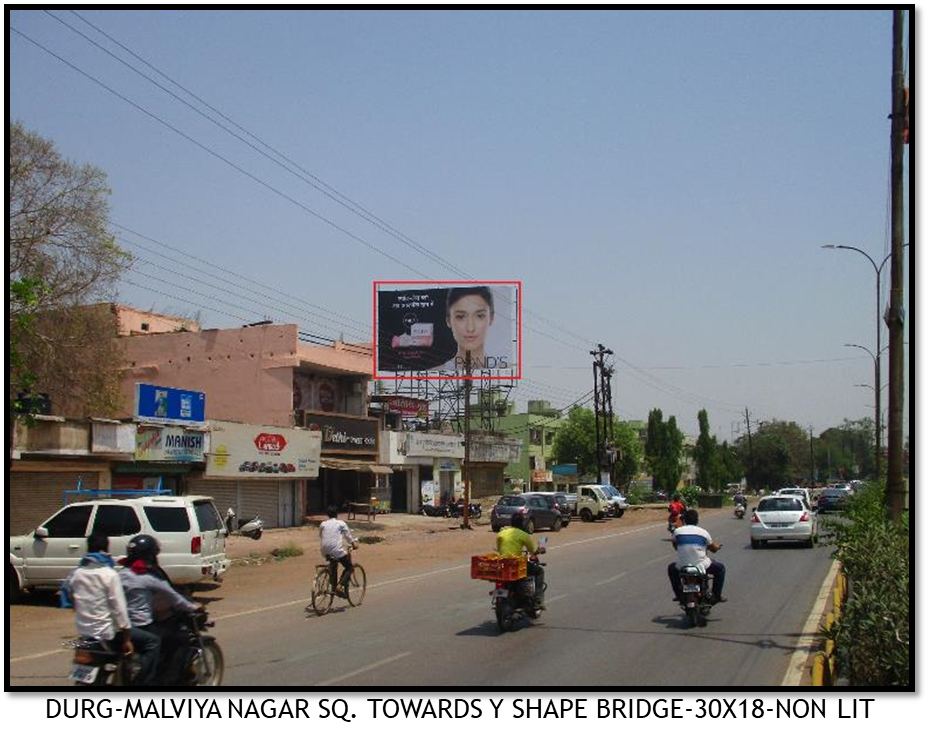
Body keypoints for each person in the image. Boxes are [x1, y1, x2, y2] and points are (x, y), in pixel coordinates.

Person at [118, 534, 201, 685]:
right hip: (144, 624)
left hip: (121, 624)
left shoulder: (122, 573)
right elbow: (171, 596)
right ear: (151, 554)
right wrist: (192, 606)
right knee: (178, 639)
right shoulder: (149, 575)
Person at [60, 534, 135, 663]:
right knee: (147, 643)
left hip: (84, 633)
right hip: (106, 634)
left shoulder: (76, 574)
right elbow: (119, 608)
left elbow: (69, 596)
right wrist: (127, 637)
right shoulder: (109, 574)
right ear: (107, 549)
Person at [667, 508, 726, 604]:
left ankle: (678, 594)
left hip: (682, 565)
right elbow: (713, 549)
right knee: (721, 569)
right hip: (701, 565)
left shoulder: (677, 532)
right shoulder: (703, 532)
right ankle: (716, 595)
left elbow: (675, 545)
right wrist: (717, 547)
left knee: (671, 569)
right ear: (697, 520)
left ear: (684, 520)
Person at [434, 286, 497, 373]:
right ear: (448, 320)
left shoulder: (508, 371)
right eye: (460, 317)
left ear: (491, 318)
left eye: (480, 316)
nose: (470, 328)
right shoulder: (431, 374)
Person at [496, 513, 546, 610]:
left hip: (502, 564)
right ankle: (538, 600)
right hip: (516, 565)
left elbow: (499, 549)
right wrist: (538, 551)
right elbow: (532, 551)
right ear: (522, 523)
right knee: (539, 571)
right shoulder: (523, 535)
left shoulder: (501, 533)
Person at [319, 506, 359, 598]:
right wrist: (354, 544)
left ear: (327, 515)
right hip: (336, 550)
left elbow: (321, 536)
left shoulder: (323, 524)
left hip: (324, 550)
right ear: (337, 514)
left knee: (334, 562)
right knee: (349, 567)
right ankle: (339, 586)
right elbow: (348, 537)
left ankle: (333, 584)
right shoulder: (341, 523)